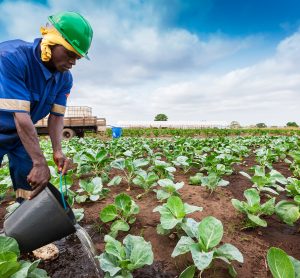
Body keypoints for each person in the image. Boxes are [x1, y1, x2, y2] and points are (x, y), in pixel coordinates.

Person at [0, 11, 93, 259]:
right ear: (50, 41)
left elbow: (56, 117)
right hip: (9, 125)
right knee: (36, 166)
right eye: (70, 53)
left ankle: (25, 230)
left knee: (30, 180)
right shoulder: (11, 57)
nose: (73, 60)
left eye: (78, 57)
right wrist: (41, 161)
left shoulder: (65, 78)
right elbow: (20, 117)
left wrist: (57, 151)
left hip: (21, 135)